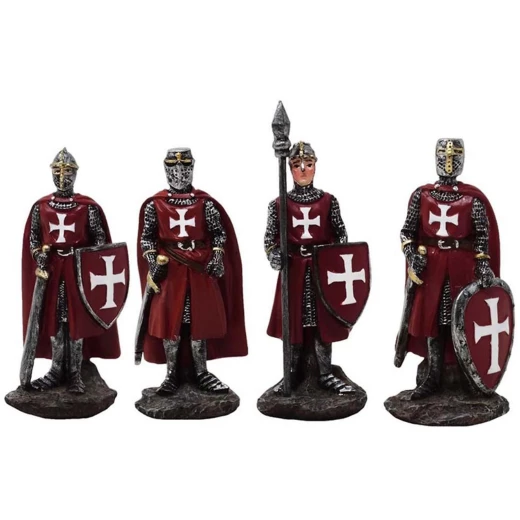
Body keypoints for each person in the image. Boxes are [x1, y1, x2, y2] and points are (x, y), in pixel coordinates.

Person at [137, 148, 247, 395]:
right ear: (166, 169)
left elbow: (218, 234)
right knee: (170, 323)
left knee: (200, 321)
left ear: (192, 168)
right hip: (170, 271)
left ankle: (201, 372)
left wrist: (217, 257)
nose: (179, 173)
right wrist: (153, 263)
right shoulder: (155, 204)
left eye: (184, 167)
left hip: (199, 269)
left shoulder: (204, 203)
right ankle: (171, 374)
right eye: (173, 168)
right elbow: (147, 239)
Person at [22, 148, 120, 393]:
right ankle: (56, 370)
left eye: (67, 173)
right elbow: (34, 239)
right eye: (57, 172)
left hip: (78, 272)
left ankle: (75, 373)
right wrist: (39, 255)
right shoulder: (41, 207)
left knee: (76, 323)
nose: (62, 177)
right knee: (55, 322)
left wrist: (88, 256)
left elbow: (100, 240)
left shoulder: (87, 207)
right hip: (53, 272)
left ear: (75, 175)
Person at [264, 141, 353, 394]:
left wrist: (333, 256)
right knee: (293, 324)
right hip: (293, 271)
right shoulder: (278, 204)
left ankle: (325, 374)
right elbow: (270, 240)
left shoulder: (328, 201)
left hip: (321, 272)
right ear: (290, 169)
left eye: (308, 164)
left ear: (316, 166)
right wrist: (274, 255)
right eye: (296, 165)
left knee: (322, 323)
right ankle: (291, 374)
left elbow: (341, 234)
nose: (303, 169)